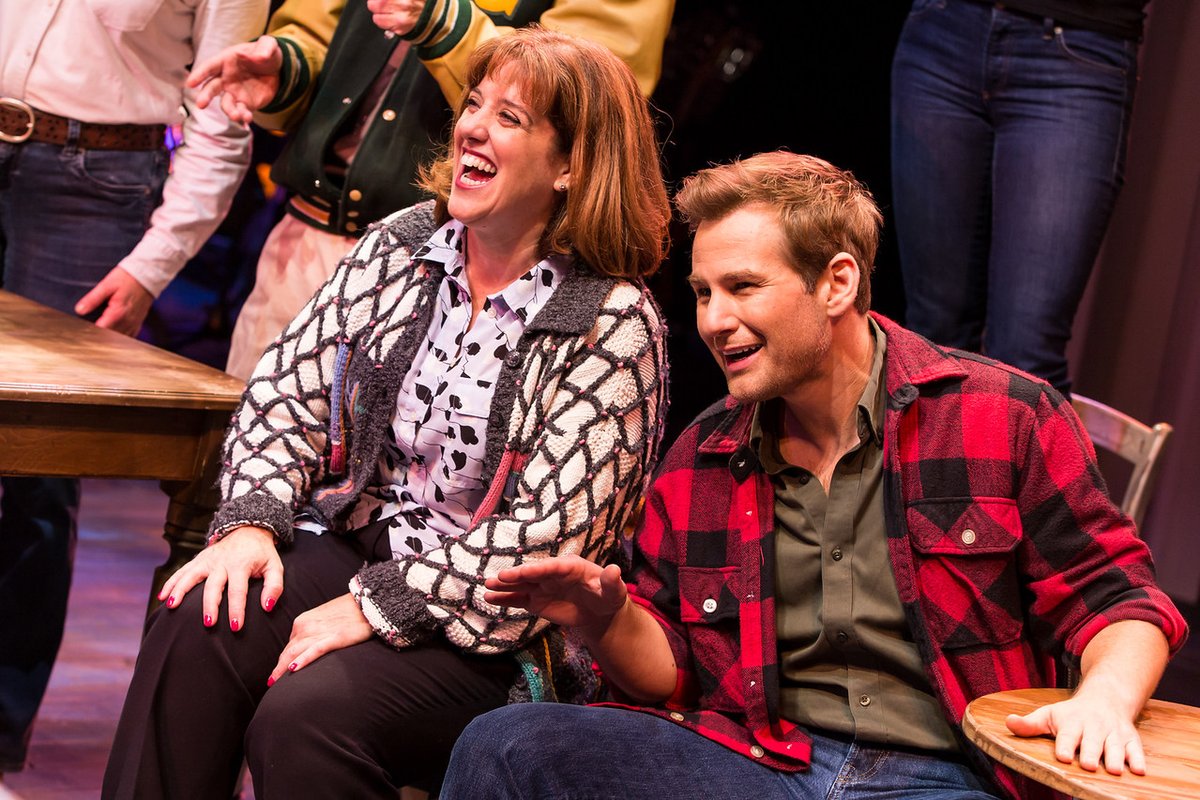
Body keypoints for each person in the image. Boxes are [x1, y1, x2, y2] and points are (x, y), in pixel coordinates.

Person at [440, 151, 1189, 800]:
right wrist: (606, 619)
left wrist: (1106, 700)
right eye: (703, 293)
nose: (712, 321)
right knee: (505, 745)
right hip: (763, 763)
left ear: (836, 283)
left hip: (947, 775)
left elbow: (1116, 597)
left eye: (742, 287)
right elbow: (673, 674)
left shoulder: (1001, 417)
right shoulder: (702, 456)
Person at [103, 26, 670, 798]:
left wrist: (380, 605)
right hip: (358, 542)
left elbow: (548, 539)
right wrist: (251, 520)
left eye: (510, 117)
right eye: (474, 104)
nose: (471, 126)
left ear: (572, 165)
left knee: (307, 713)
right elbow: (286, 391)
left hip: (495, 627)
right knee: (201, 614)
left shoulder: (611, 320)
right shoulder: (401, 247)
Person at [0, 0, 265, 784]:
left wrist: (153, 264)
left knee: (35, 470)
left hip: (92, 183)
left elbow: (221, 112)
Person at [187, 0, 675, 378]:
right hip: (304, 242)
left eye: (499, 115)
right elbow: (313, 31)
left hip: (463, 274)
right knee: (244, 477)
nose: (475, 127)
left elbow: (596, 98)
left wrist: (445, 23)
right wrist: (288, 73)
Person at [891, 0, 1148, 394]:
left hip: (1078, 48)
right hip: (945, 29)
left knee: (1025, 355)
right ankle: (930, 458)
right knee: (932, 337)